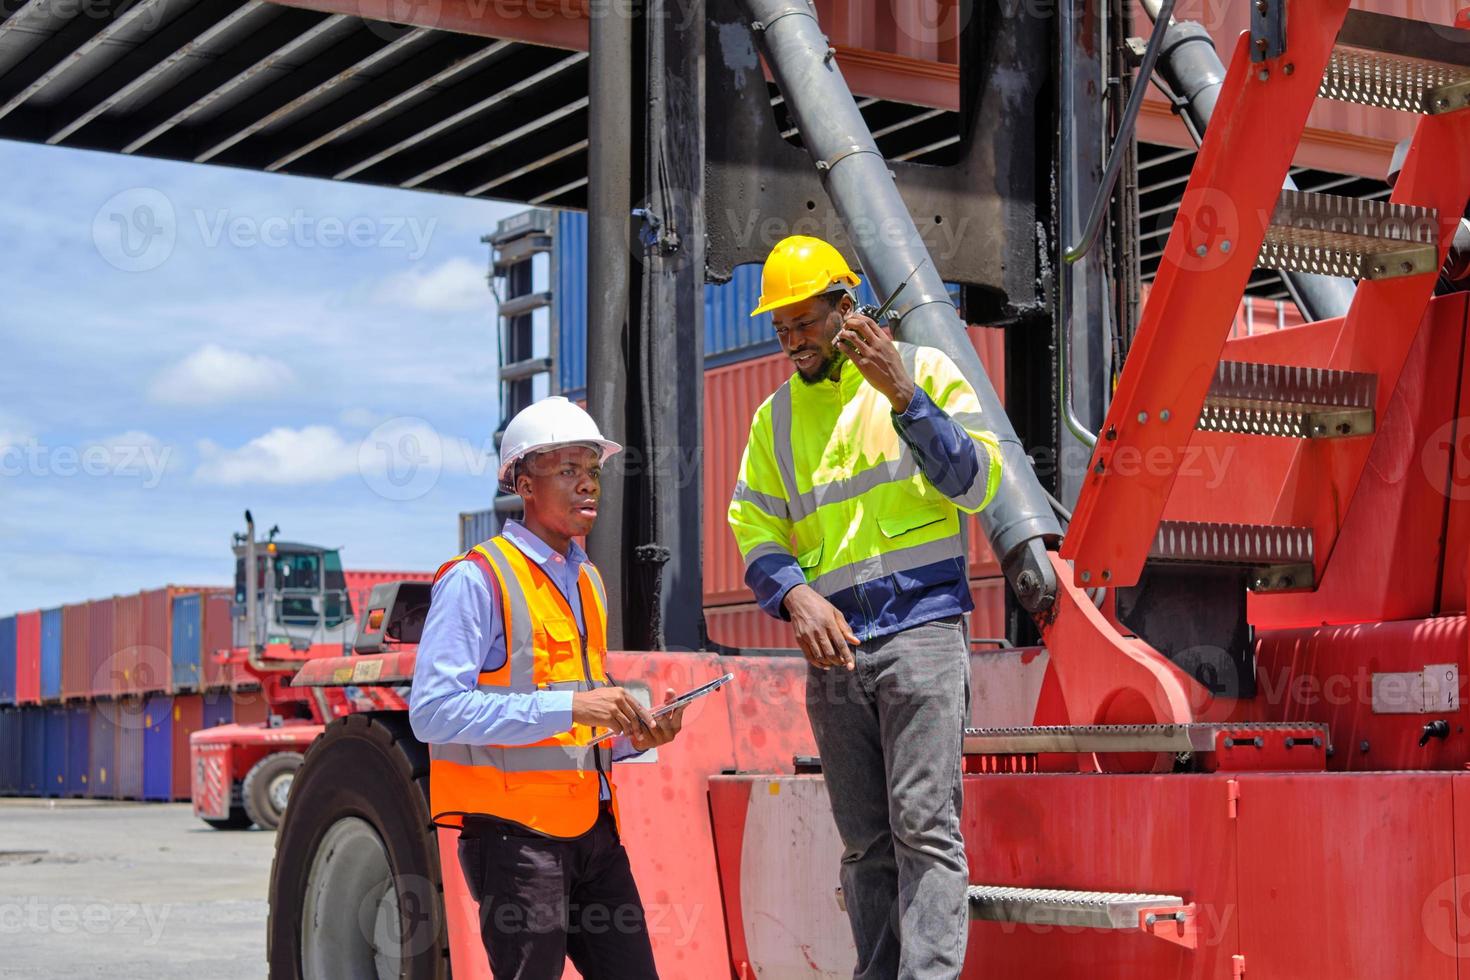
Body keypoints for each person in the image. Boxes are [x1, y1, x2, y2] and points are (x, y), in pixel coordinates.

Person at [727, 236, 1003, 979]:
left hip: (921, 633)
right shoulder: (772, 421)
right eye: (780, 328)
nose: (791, 342)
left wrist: (906, 397)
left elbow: (977, 486)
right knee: (866, 845)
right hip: (836, 649)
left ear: (847, 308)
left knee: (924, 830)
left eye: (804, 323)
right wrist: (794, 593)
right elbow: (751, 525)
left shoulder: (927, 372)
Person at [410, 395, 685, 980]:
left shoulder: (587, 580)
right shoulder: (476, 579)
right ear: (523, 484)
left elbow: (579, 717)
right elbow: (432, 712)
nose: (588, 487)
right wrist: (571, 705)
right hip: (515, 842)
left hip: (593, 831)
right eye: (568, 472)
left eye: (592, 473)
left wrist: (636, 735)